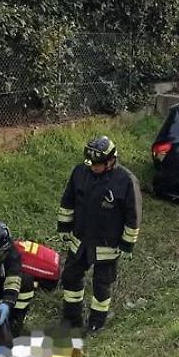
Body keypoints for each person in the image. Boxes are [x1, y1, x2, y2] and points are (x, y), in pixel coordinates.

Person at [57, 136, 142, 334]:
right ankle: (72, 318)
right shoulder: (80, 172)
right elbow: (68, 200)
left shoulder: (125, 180)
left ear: (111, 161)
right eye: (91, 163)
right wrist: (63, 226)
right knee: (70, 277)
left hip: (107, 244)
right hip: (81, 239)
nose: (93, 167)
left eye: (97, 164)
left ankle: (96, 322)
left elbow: (133, 215)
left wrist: (127, 244)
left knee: (101, 286)